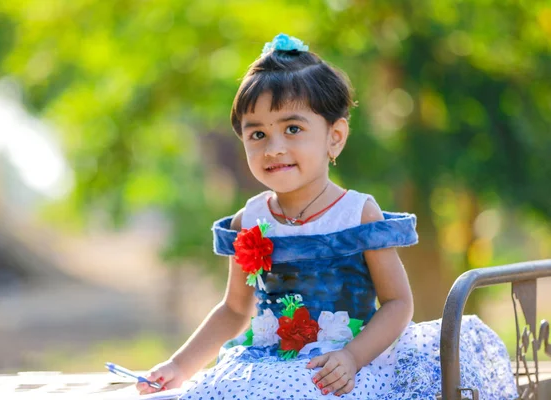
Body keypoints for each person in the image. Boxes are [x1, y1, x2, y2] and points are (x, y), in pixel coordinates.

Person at [137, 34, 518, 399]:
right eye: (258, 135)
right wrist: (179, 366)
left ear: (334, 137)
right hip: (269, 363)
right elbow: (235, 309)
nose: (274, 148)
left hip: (345, 364)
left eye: (292, 128)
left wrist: (352, 357)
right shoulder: (250, 218)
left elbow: (398, 302)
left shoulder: (356, 213)